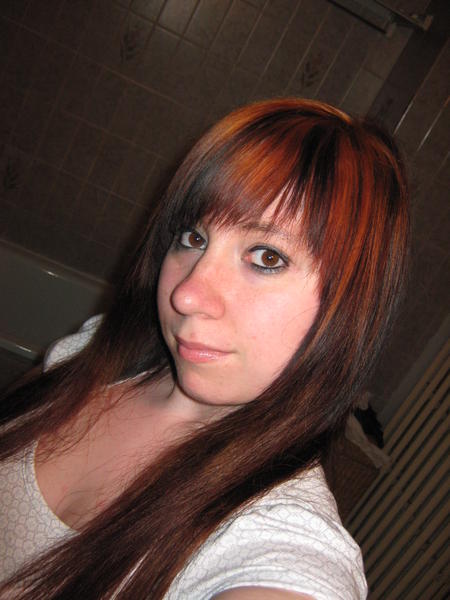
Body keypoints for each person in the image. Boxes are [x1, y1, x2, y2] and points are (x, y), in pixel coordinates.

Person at [0, 98, 409, 599]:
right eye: (193, 237)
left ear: (349, 307)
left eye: (266, 257)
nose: (186, 294)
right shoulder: (97, 350)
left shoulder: (279, 537)